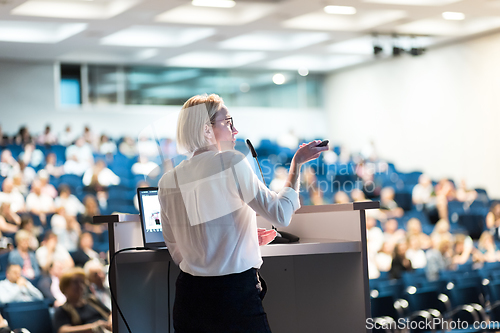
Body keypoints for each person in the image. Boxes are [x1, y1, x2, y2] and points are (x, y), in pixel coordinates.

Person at [158, 94, 327, 332]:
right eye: (228, 122)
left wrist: (240, 239)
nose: (235, 130)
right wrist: (296, 165)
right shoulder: (231, 162)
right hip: (233, 297)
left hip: (189, 298)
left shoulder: (167, 180)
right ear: (207, 130)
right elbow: (280, 214)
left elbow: (176, 248)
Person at [53, 267, 112, 333]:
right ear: (65, 287)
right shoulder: (63, 310)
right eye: (75, 282)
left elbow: (110, 313)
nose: (80, 286)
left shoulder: (92, 300)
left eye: (82, 282)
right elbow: (63, 330)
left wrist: (111, 322)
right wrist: (92, 327)